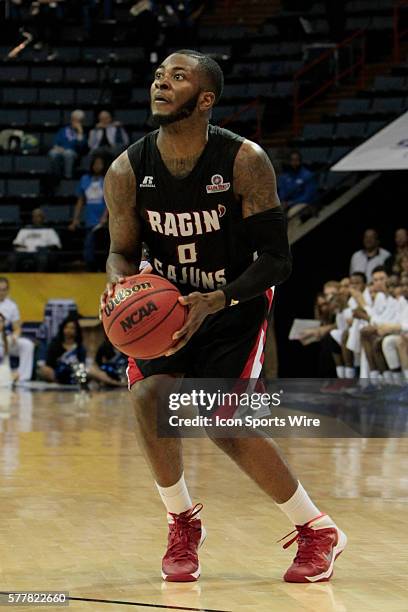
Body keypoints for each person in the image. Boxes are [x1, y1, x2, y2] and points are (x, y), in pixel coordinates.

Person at [100, 50, 347, 584]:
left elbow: (278, 261)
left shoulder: (244, 161)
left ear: (205, 98)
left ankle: (316, 529)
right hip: (166, 307)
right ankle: (182, 522)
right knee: (148, 397)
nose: (161, 82)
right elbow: (121, 251)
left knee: (220, 419)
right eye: (160, 75)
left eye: (178, 76)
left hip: (234, 303)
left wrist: (219, 299)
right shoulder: (126, 169)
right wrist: (119, 283)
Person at [38, 316, 124, 387]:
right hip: (59, 375)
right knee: (43, 370)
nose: (68, 330)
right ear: (62, 329)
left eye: (72, 328)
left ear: (76, 331)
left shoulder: (79, 348)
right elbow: (49, 364)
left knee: (93, 371)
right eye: (66, 327)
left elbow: (82, 363)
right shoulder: (55, 345)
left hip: (76, 373)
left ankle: (117, 384)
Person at [69, 155, 109, 271]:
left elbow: (109, 200)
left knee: (107, 247)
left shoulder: (107, 178)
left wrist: (104, 217)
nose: (97, 166)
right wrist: (75, 219)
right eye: (96, 163)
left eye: (100, 163)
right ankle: (91, 269)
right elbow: (80, 201)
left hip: (104, 220)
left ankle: (104, 270)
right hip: (90, 219)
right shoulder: (85, 179)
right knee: (89, 247)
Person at [0, 277, 35, 382]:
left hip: (6, 339)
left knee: (27, 345)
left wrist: (15, 336)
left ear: (8, 290)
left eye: (4, 289)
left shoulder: (12, 306)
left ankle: (22, 377)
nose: (1, 292)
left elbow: (17, 327)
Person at [8, 208, 61, 272]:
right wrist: (23, 246)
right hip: (25, 251)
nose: (35, 218)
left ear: (43, 218)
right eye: (34, 216)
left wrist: (44, 248)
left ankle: (39, 280)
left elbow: (56, 244)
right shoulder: (25, 229)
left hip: (41, 252)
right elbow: (16, 243)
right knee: (12, 257)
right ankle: (14, 279)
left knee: (42, 259)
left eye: (38, 216)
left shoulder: (49, 230)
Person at [48, 109, 87, 179]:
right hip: (60, 150)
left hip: (73, 153)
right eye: (73, 120)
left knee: (68, 153)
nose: (75, 122)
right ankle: (56, 176)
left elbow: (80, 146)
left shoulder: (82, 133)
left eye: (78, 121)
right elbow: (55, 143)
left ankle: (67, 176)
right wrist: (58, 148)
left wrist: (80, 132)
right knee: (52, 153)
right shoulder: (63, 130)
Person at [277, 150, 316, 219]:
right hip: (287, 204)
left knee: (291, 214)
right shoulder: (284, 177)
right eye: (292, 160)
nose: (294, 163)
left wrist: (291, 203)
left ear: (300, 161)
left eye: (297, 160)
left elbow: (308, 196)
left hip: (304, 203)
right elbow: (282, 192)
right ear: (288, 162)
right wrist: (283, 202)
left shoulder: (307, 175)